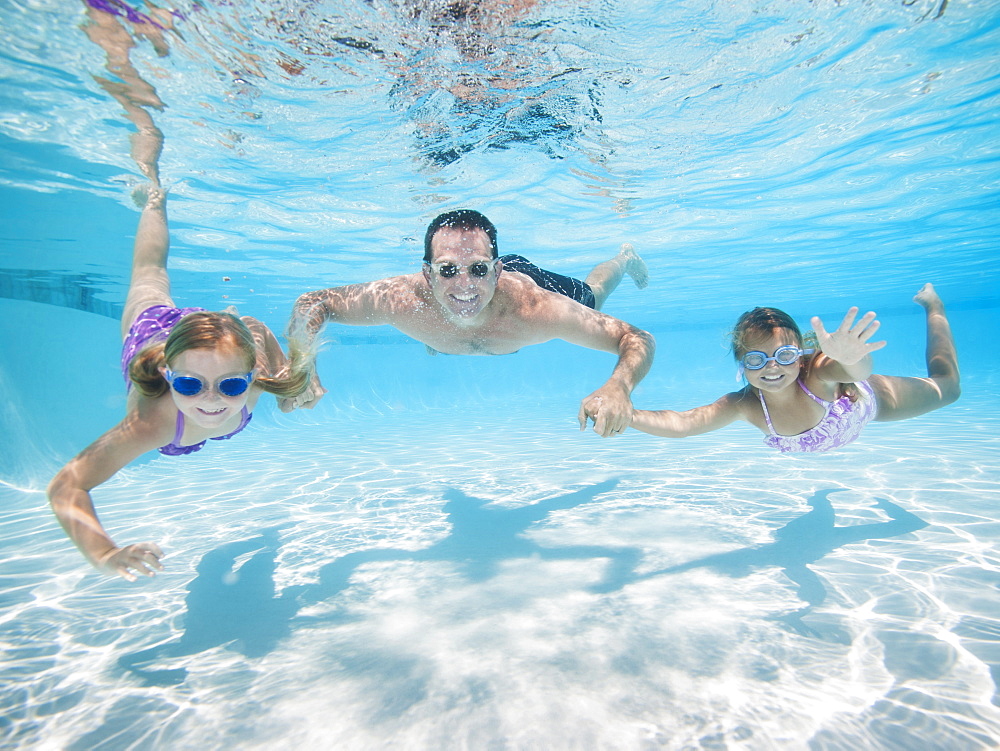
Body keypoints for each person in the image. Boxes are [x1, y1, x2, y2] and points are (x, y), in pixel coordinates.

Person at [286, 209, 654, 436]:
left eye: (478, 270)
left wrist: (619, 386)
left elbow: (636, 338)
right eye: (448, 271)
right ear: (427, 275)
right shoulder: (401, 300)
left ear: (496, 272)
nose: (465, 285)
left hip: (526, 282)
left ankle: (623, 258)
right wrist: (302, 364)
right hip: (439, 323)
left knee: (593, 293)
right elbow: (312, 301)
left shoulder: (539, 309)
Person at [628, 284, 960, 452]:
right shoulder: (745, 405)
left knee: (949, 387)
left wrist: (849, 357)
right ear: (742, 365)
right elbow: (684, 424)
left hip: (873, 403)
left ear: (800, 354)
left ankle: (934, 305)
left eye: (785, 355)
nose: (772, 368)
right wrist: (628, 416)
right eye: (757, 359)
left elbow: (857, 372)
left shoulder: (816, 371)